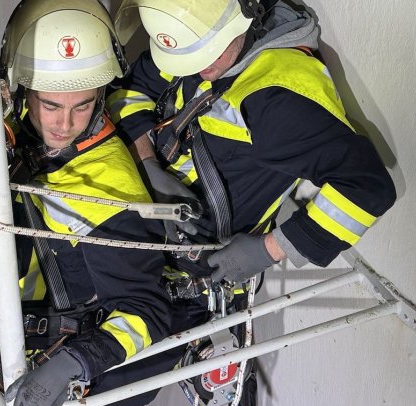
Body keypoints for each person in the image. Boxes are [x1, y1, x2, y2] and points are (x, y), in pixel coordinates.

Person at [0, 0, 197, 406]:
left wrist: (72, 363)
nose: (64, 124)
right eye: (51, 106)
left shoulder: (104, 188)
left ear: (100, 96)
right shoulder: (19, 134)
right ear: (21, 92)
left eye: (82, 107)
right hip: (3, 353)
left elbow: (146, 313)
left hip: (77, 380)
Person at [108, 0, 397, 287]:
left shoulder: (277, 101)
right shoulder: (195, 33)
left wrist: (268, 250)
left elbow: (367, 188)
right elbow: (133, 88)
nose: (196, 67)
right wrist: (144, 161)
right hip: (134, 202)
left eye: (204, 54)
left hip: (177, 267)